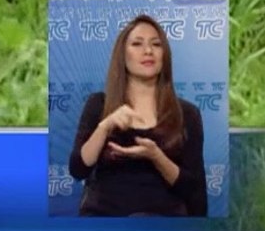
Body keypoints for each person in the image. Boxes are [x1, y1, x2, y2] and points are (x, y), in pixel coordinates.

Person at [68, 13, 208, 217]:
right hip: (106, 219)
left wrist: (156, 156)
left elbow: (193, 190)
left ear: (165, 55)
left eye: (156, 44)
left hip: (164, 222)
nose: (148, 51)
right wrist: (105, 127)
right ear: (122, 55)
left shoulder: (187, 113)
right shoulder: (99, 105)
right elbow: (78, 169)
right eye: (137, 44)